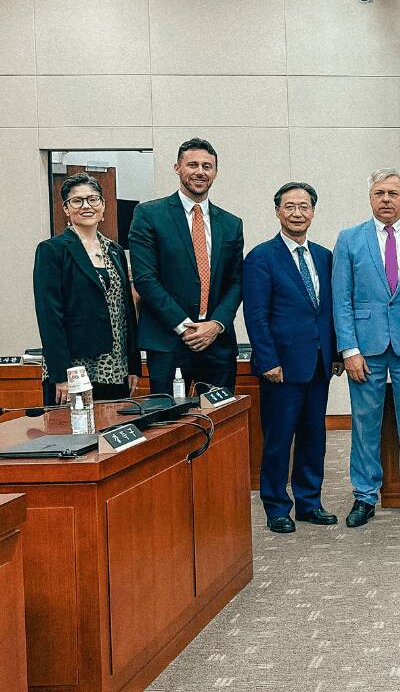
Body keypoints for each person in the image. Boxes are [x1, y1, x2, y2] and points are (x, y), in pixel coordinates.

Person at [333, 169, 400, 527]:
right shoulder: (349, 239)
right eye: (380, 193)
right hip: (366, 349)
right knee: (365, 425)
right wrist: (348, 349)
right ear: (370, 197)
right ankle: (364, 496)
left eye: (393, 193)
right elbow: (341, 300)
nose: (386, 200)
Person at [243, 183, 343, 534]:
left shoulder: (324, 256)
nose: (297, 212)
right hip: (281, 368)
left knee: (314, 435)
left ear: (313, 212)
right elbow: (256, 315)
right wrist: (268, 360)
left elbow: (329, 310)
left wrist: (336, 353)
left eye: (304, 206)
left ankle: (309, 502)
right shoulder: (261, 257)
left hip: (318, 364)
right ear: (277, 211)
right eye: (290, 206)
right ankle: (276, 506)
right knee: (279, 438)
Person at [128, 137, 243, 395]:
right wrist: (184, 326)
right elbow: (145, 279)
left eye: (207, 166)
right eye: (192, 165)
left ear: (215, 172)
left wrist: (216, 325)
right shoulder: (149, 214)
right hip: (168, 341)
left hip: (217, 342)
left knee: (222, 423)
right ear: (177, 168)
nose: (200, 172)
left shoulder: (231, 223)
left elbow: (236, 281)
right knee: (170, 425)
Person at [33, 173, 140, 405]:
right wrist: (60, 375)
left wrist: (134, 365)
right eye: (77, 201)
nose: (86, 206)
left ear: (103, 206)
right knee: (72, 438)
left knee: (112, 437)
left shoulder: (115, 251)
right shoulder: (52, 250)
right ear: (66, 209)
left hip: (115, 367)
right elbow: (49, 316)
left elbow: (127, 312)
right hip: (74, 369)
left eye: (93, 199)